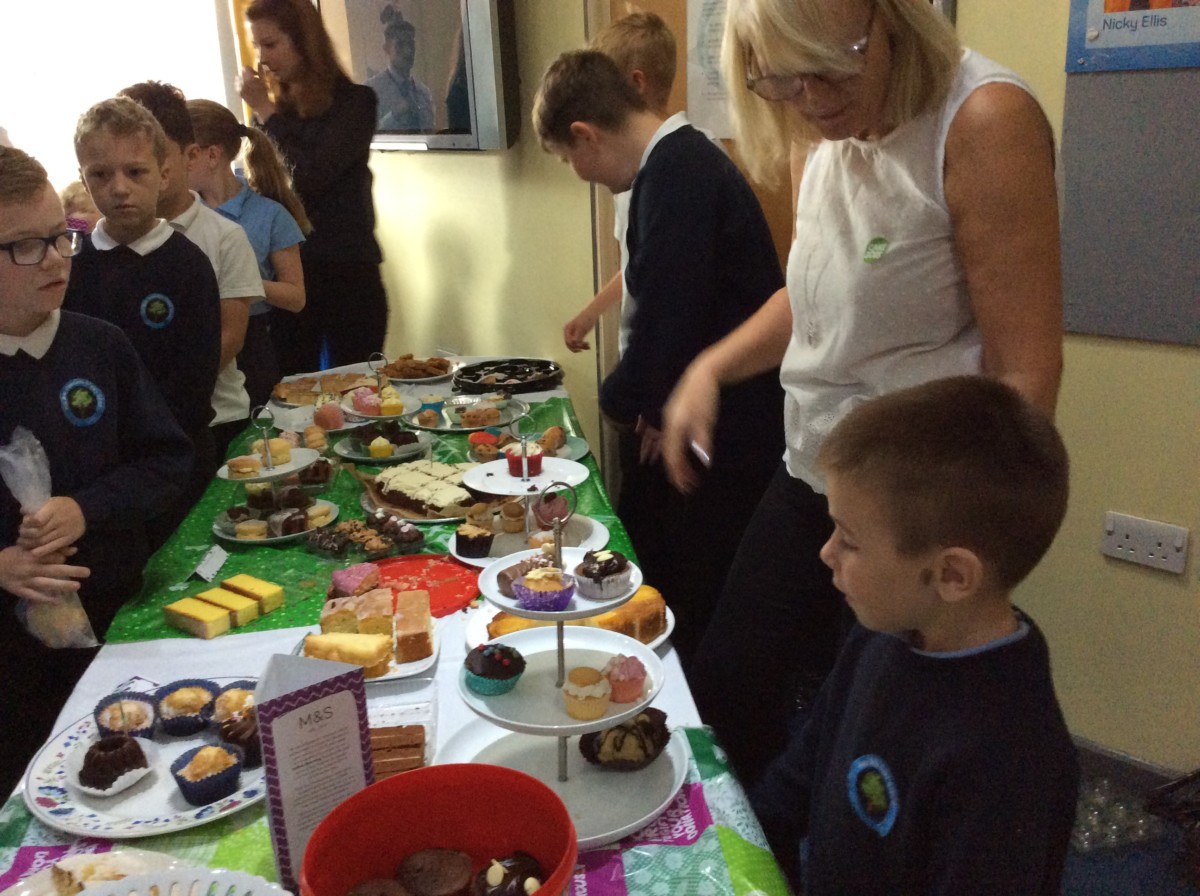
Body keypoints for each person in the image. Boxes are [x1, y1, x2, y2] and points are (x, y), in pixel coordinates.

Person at [659, 0, 1064, 788]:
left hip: (915, 508)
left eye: (829, 70)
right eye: (783, 81)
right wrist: (710, 367)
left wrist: (968, 568)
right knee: (725, 692)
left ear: (890, 22)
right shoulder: (820, 129)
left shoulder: (983, 121)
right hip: (816, 466)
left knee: (871, 738)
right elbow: (816, 292)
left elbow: (1025, 375)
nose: (811, 100)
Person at [752, 375, 1077, 894]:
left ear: (952, 575)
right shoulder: (882, 632)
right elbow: (809, 760)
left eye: (850, 540)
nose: (826, 553)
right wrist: (747, 834)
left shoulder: (1008, 760)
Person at [533, 50, 785, 667]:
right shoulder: (673, 166)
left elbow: (669, 315)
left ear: (585, 135)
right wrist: (648, 401)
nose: (578, 173)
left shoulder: (678, 174)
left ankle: (674, 696)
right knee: (660, 557)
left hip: (730, 423)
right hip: (708, 410)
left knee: (688, 583)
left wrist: (621, 402)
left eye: (568, 159)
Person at [0, 145, 192, 793]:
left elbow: (167, 460)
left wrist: (87, 507)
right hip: (12, 668)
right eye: (26, 246)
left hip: (121, 624)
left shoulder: (99, 344)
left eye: (62, 236)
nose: (57, 258)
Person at [64, 97, 223, 544]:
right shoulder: (71, 267)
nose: (119, 188)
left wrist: (143, 448)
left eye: (135, 172)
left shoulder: (188, 265)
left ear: (164, 175)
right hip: (97, 472)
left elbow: (195, 378)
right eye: (101, 174)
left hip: (178, 462)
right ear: (83, 178)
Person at [239, 0, 389, 374]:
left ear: (304, 42)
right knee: (290, 388)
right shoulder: (276, 111)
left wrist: (266, 113)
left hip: (347, 271)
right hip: (289, 274)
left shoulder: (356, 103)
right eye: (256, 46)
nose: (262, 58)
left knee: (357, 387)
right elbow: (265, 186)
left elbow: (310, 175)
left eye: (270, 44)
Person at [119, 81, 264, 461]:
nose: (138, 174)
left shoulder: (225, 237)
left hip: (216, 419)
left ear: (190, 155)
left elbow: (230, 337)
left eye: (157, 154)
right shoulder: (104, 243)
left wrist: (158, 398)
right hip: (133, 428)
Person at [562, 12, 683, 358]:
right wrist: (592, 312)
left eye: (601, 89)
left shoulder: (682, 165)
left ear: (635, 84)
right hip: (639, 349)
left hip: (664, 356)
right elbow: (637, 263)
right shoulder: (630, 169)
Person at [187, 98, 309, 411]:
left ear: (212, 155)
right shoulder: (181, 215)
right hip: (193, 335)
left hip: (252, 345)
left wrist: (239, 280)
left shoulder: (270, 214)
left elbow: (295, 296)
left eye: (186, 154)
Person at [366, 8, 435, 132]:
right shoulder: (372, 91)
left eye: (411, 44)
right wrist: (394, 115)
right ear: (387, 48)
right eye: (400, 45)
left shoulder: (424, 93)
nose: (408, 51)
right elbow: (365, 134)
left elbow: (430, 133)